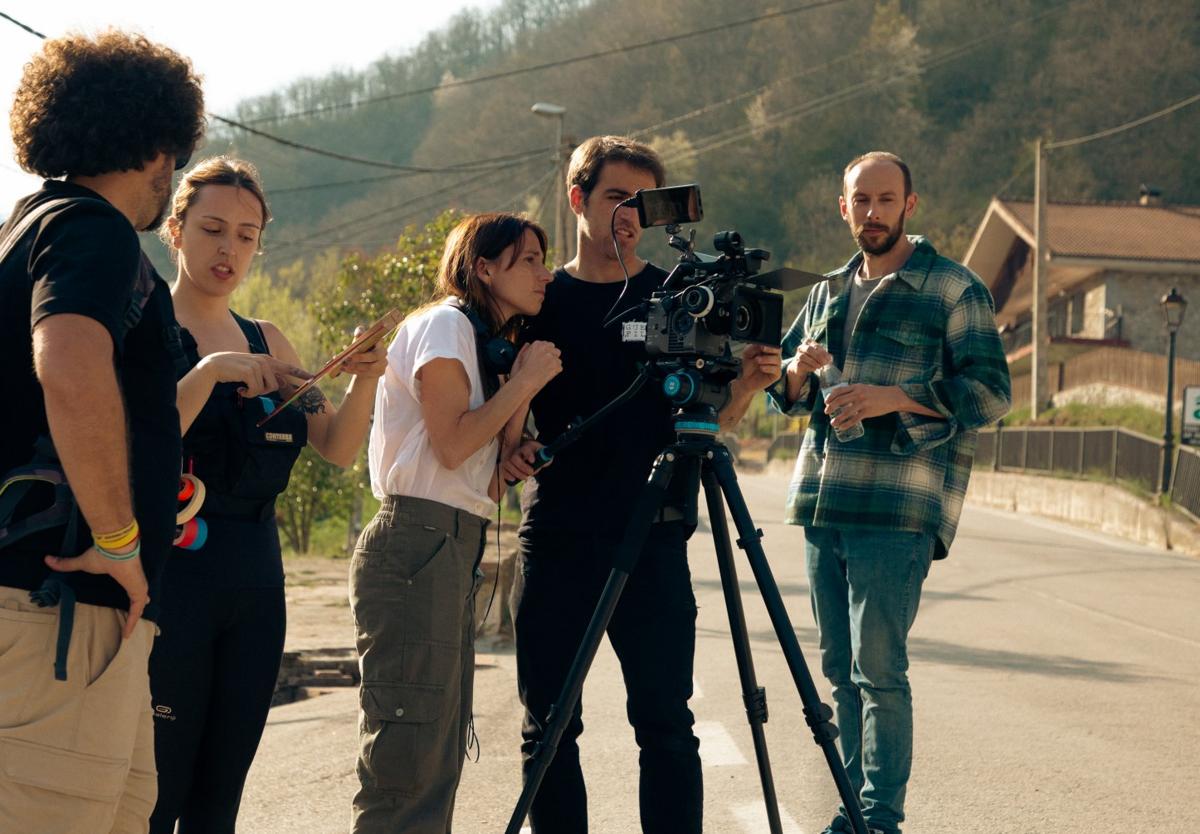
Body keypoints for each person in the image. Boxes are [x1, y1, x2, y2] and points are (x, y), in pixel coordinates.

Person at [501, 135, 781, 834]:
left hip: (655, 537)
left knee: (666, 727)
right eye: (615, 197)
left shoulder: (678, 294)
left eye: (640, 203)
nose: (629, 215)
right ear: (579, 200)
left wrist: (745, 385)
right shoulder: (541, 297)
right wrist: (511, 445)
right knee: (549, 728)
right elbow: (500, 399)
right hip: (559, 536)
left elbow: (702, 419)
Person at [767, 151, 1011, 834]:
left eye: (885, 200)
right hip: (824, 500)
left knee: (880, 670)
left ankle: (880, 818)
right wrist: (797, 368)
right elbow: (781, 395)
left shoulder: (952, 289)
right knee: (839, 671)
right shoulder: (824, 292)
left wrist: (893, 398)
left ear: (910, 205)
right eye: (860, 201)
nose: (871, 213)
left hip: (898, 507)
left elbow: (991, 393)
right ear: (843, 208)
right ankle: (851, 812)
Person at [144, 156, 387, 833]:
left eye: (247, 236)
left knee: (222, 791)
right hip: (174, 573)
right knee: (157, 789)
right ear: (176, 229)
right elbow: (147, 439)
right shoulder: (145, 329)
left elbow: (336, 447)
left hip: (256, 574)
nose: (230, 249)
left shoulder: (268, 340)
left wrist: (365, 376)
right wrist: (213, 370)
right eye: (213, 229)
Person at [0, 30, 204, 833]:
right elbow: (72, 365)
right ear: (157, 146)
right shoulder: (95, 231)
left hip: (73, 621)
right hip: (59, 614)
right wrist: (120, 533)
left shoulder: (30, 227)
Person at [350, 212, 561, 833]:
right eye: (528, 260)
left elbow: (484, 479)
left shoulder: (490, 348)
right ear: (483, 267)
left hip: (451, 540)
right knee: (407, 754)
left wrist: (517, 398)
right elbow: (450, 446)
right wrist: (520, 383)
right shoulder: (445, 324)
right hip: (415, 540)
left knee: (436, 754)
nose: (544, 274)